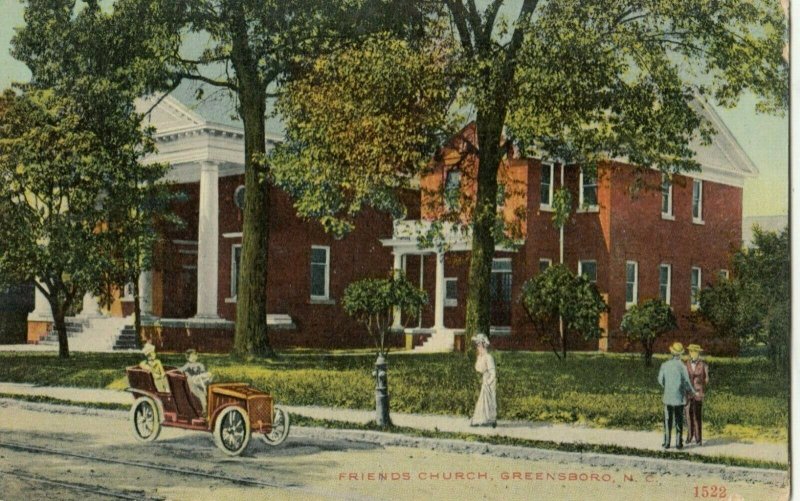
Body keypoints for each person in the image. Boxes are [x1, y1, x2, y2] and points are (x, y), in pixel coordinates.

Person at [657, 342, 696, 449]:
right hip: (679, 397)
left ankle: (667, 442)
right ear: (680, 354)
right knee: (679, 420)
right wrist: (692, 392)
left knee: (667, 420)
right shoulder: (682, 367)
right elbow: (687, 382)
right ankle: (679, 443)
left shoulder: (664, 365)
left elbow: (660, 380)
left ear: (672, 353)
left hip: (668, 397)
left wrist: (668, 387)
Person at [470, 333, 497, 428]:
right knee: (481, 401)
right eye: (477, 345)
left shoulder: (488, 357)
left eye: (479, 345)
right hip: (481, 382)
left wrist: (488, 383)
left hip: (488, 382)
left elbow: (493, 373)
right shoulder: (480, 357)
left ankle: (488, 419)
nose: (478, 347)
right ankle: (481, 419)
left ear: (483, 345)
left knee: (486, 401)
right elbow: (478, 369)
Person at [684, 344, 709, 445]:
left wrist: (700, 386)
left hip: (698, 393)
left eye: (694, 351)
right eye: (690, 351)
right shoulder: (686, 364)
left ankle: (698, 439)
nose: (692, 353)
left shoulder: (703, 365)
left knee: (697, 416)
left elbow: (706, 379)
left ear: (698, 353)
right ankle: (689, 436)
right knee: (688, 415)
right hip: (688, 393)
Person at [180, 349, 213, 413]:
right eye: (191, 356)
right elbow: (180, 370)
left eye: (194, 356)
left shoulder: (200, 365)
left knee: (207, 375)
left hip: (200, 380)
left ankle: (203, 386)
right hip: (193, 382)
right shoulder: (187, 365)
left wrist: (204, 375)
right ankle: (204, 409)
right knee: (201, 393)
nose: (193, 358)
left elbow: (203, 373)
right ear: (188, 358)